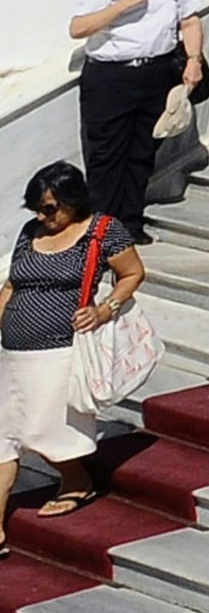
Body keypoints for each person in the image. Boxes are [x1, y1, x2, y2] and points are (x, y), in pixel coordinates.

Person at [0, 164, 142, 550]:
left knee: (38, 431)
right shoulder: (31, 232)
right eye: (36, 209)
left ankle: (78, 480)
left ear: (72, 202)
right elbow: (13, 283)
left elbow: (132, 273)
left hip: (59, 353)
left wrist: (105, 309)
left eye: (49, 209)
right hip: (13, 353)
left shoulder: (102, 231)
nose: (42, 217)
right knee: (3, 438)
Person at [68, 0, 204, 245]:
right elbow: (78, 27)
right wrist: (123, 5)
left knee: (142, 152)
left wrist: (194, 60)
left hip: (155, 72)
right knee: (106, 155)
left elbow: (189, 19)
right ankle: (100, 230)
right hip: (111, 75)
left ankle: (130, 223)